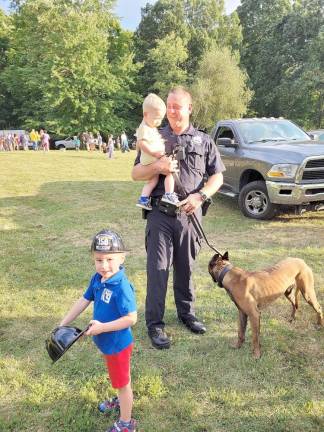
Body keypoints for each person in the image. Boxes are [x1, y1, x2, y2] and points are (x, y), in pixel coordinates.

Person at [131, 86, 225, 349]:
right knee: (158, 270)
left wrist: (200, 196)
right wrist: (158, 166)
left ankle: (187, 314)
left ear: (189, 108)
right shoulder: (154, 135)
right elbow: (136, 173)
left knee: (186, 268)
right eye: (168, 106)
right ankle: (155, 324)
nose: (171, 111)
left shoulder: (204, 141)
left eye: (177, 106)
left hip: (189, 215)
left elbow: (217, 176)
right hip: (160, 213)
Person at [59, 229, 137, 432]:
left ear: (122, 258)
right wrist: (63, 323)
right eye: (98, 259)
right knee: (117, 378)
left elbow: (131, 318)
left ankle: (126, 423)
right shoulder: (97, 278)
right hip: (106, 343)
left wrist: (102, 328)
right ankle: (120, 400)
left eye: (110, 259)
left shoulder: (121, 286)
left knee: (123, 383)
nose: (104, 266)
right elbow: (84, 300)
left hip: (117, 345)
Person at [135, 93, 178, 210]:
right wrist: (154, 153)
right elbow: (141, 143)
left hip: (151, 159)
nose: (158, 122)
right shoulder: (144, 127)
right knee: (169, 171)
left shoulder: (150, 126)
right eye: (156, 118)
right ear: (145, 114)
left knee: (152, 180)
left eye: (160, 119)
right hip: (152, 158)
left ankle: (143, 199)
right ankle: (169, 194)